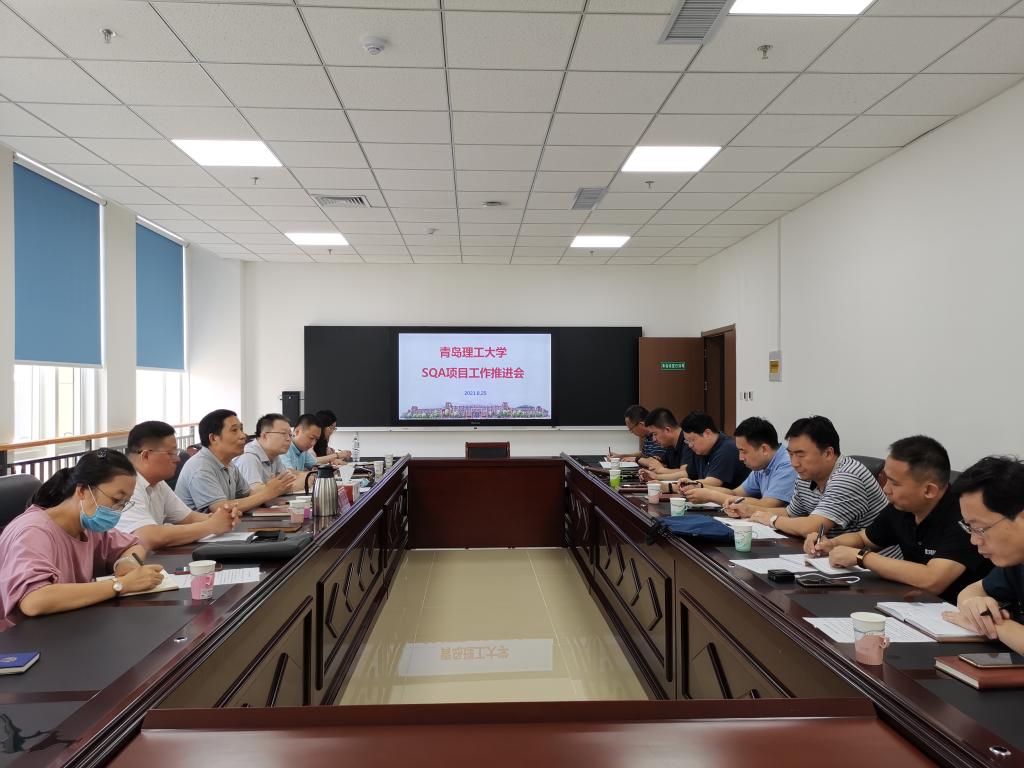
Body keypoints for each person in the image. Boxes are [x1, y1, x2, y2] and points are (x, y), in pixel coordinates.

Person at [805, 436, 989, 603]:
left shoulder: (965, 517)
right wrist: (831, 544)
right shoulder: (902, 507)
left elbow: (932, 580)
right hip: (910, 601)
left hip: (954, 612)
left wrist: (861, 557)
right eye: (886, 479)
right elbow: (864, 538)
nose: (886, 489)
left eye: (895, 483)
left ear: (929, 490)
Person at [0, 449, 166, 629]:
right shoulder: (34, 531)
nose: (118, 510)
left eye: (124, 503)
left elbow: (134, 545)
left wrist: (126, 563)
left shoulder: (88, 524)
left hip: (66, 627)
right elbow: (34, 601)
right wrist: (120, 584)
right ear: (82, 491)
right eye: (116, 500)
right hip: (20, 638)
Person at [741, 416, 889, 542]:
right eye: (791, 455)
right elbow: (791, 513)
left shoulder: (848, 477)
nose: (794, 463)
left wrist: (772, 520)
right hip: (831, 554)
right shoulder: (806, 476)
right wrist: (751, 510)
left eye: (800, 455)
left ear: (828, 453)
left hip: (871, 561)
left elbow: (812, 527)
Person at [118, 421, 241, 550]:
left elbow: (189, 518)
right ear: (146, 455)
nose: (178, 459)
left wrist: (223, 517)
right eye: (171, 453)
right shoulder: (125, 484)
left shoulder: (158, 483)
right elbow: (148, 537)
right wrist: (211, 526)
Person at [942, 457, 1024, 650]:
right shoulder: (1016, 561)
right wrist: (975, 605)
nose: (974, 540)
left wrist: (995, 625)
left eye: (980, 529)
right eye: (969, 528)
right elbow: (970, 592)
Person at [175, 409, 292, 513]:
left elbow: (248, 495)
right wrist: (267, 493)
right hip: (201, 530)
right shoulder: (200, 467)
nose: (243, 436)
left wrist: (273, 490)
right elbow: (220, 508)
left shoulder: (229, 464)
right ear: (213, 438)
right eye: (234, 430)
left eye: (241, 429)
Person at [681, 416, 797, 511]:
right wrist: (700, 486)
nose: (740, 458)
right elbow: (735, 493)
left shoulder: (787, 464)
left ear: (764, 449)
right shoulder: (762, 465)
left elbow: (768, 505)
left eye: (744, 452)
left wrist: (711, 496)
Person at [235, 413, 310, 492]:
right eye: (283, 433)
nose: (289, 439)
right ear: (264, 436)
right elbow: (256, 492)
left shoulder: (274, 455)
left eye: (290, 434)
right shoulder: (248, 458)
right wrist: (304, 482)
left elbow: (289, 480)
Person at [676, 411, 749, 489]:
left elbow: (713, 482)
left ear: (707, 434)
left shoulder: (727, 449)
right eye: (687, 441)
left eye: (692, 440)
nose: (690, 445)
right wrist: (670, 484)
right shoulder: (700, 449)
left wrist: (682, 485)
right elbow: (689, 473)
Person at [638, 408, 691, 482]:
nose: (654, 439)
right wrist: (650, 473)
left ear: (667, 430)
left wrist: (659, 472)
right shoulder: (669, 444)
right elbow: (662, 466)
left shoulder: (688, 441)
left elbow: (685, 473)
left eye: (655, 434)